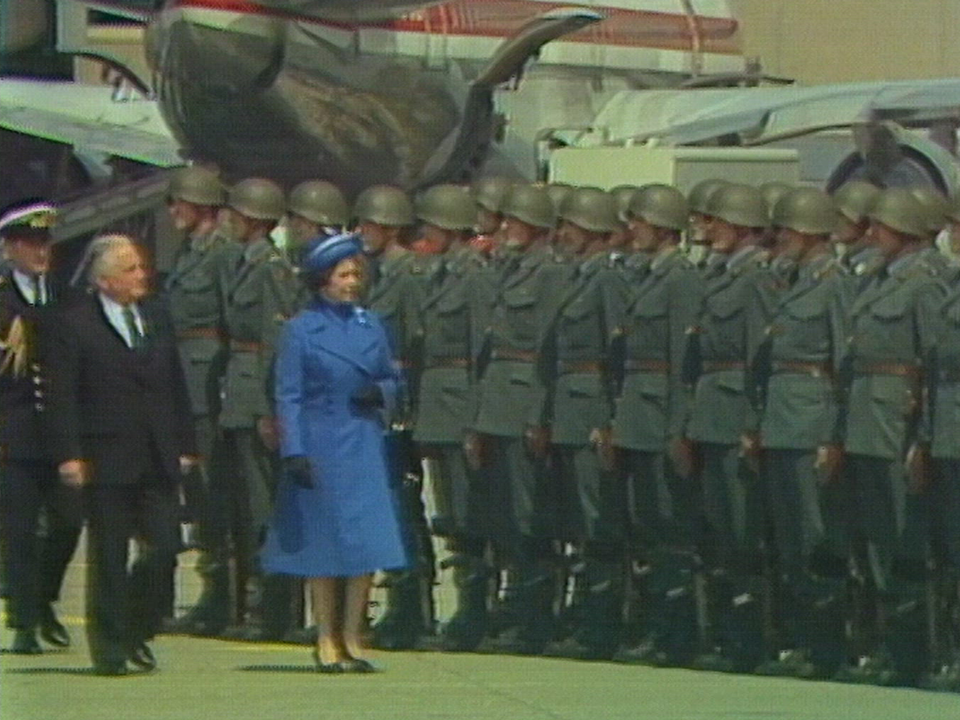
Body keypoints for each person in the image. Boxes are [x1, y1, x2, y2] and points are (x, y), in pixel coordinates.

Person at [45, 234, 197, 676]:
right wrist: (68, 455)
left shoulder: (155, 317)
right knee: (109, 555)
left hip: (157, 452)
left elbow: (175, 383)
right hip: (106, 456)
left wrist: (186, 444)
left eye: (141, 268)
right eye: (130, 270)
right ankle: (109, 645)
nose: (141, 276)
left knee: (165, 547)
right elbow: (62, 397)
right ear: (106, 281)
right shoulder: (75, 325)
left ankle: (136, 625)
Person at [261, 232, 406, 673]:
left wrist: (379, 392)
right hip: (321, 443)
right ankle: (325, 636)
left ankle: (353, 635)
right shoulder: (300, 330)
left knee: (365, 543)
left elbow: (394, 378)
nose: (352, 283)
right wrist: (294, 449)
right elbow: (288, 395)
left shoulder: (371, 325)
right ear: (323, 279)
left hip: (362, 441)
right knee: (324, 545)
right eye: (344, 275)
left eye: (356, 274)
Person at [216, 177, 302, 642]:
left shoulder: (270, 268)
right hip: (241, 391)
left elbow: (275, 341)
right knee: (248, 505)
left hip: (258, 398)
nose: (227, 219)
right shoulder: (245, 262)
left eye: (235, 213)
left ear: (252, 219)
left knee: (265, 505)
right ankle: (259, 605)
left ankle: (275, 611)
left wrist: (272, 409)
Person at [0, 200, 81, 654]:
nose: (41, 251)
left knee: (68, 523)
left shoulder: (64, 297)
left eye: (44, 242)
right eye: (31, 243)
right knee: (21, 530)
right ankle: (25, 622)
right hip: (12, 431)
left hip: (59, 432)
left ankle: (43, 597)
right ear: (9, 248)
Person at [161, 166, 234, 637]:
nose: (173, 212)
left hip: (209, 379)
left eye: (180, 203)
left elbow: (235, 320)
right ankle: (212, 592)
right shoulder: (190, 252)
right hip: (185, 376)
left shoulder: (222, 254)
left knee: (214, 487)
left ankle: (223, 595)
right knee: (196, 488)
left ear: (203, 206)